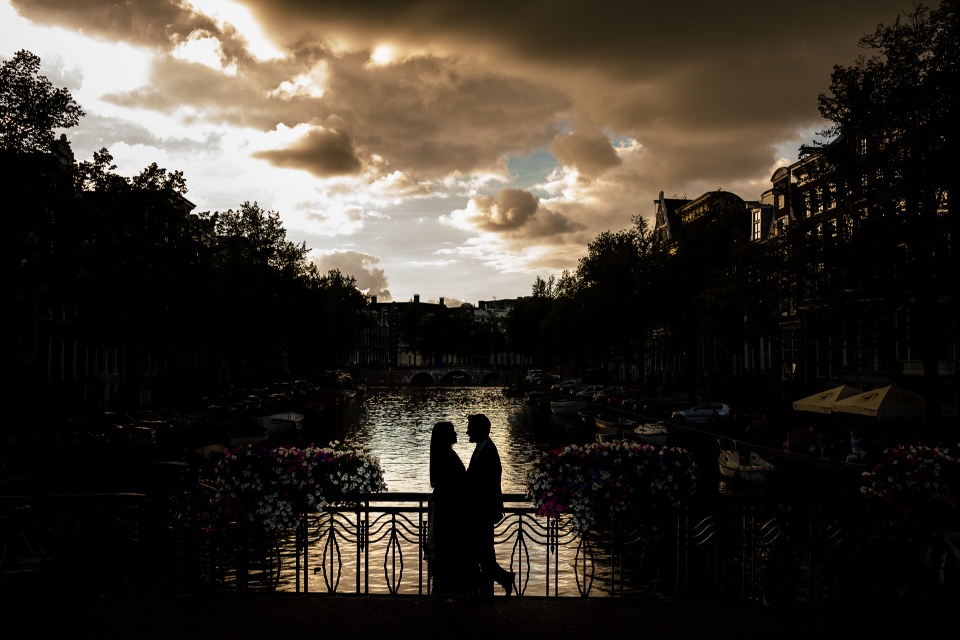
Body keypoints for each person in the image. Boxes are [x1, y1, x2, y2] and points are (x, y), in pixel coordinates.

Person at [465, 413, 515, 601]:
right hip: (482, 510)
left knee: (482, 553)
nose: (467, 431)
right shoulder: (483, 449)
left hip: (482, 511)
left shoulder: (487, 452)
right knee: (483, 553)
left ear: (479, 430)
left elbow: (483, 485)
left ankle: (487, 594)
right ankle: (499, 583)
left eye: (470, 428)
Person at [428, 421, 477, 603]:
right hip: (450, 512)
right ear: (446, 436)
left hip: (445, 509)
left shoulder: (441, 455)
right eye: (453, 432)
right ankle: (450, 590)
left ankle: (445, 589)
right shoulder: (446, 456)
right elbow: (454, 483)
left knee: (446, 549)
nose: (457, 434)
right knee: (449, 549)